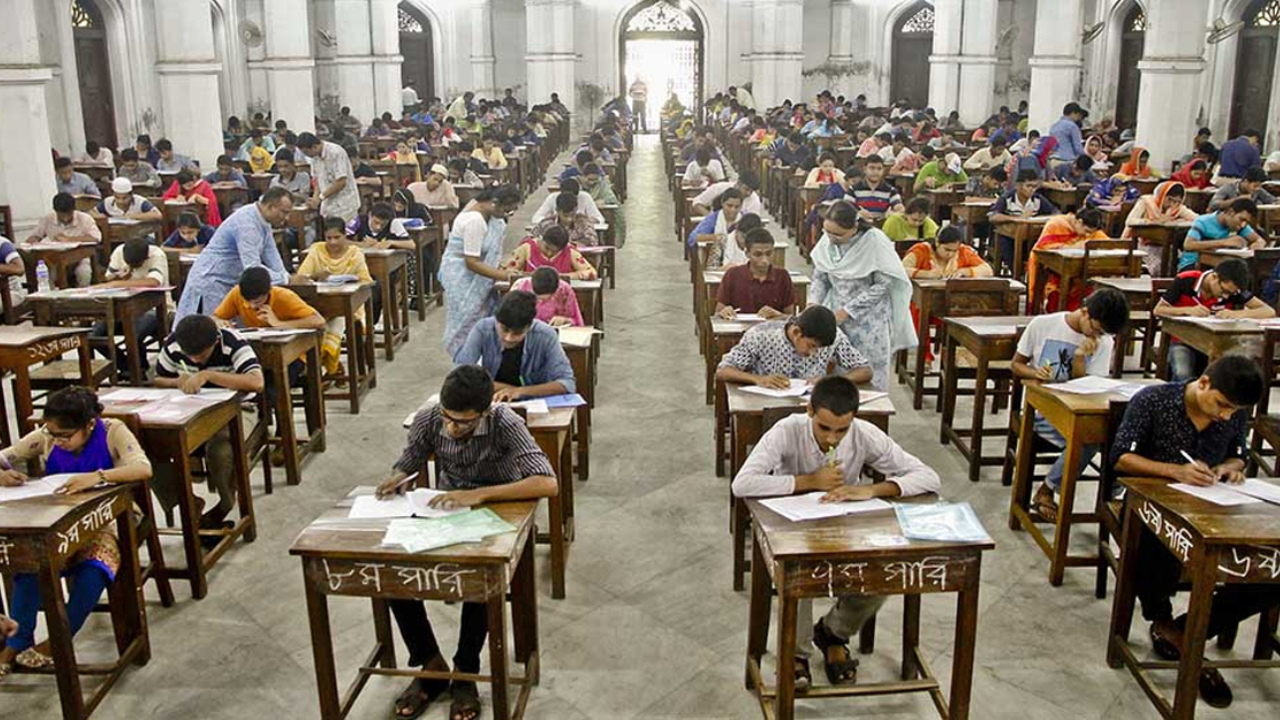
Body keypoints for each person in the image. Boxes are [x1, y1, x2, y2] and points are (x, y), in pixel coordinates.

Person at [731, 375, 939, 690]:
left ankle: (833, 632)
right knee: (801, 573)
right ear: (809, 411)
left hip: (844, 521)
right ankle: (797, 653)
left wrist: (870, 490)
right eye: (824, 428)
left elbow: (928, 476)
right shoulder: (787, 430)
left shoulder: (864, 434)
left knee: (881, 574)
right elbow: (743, 483)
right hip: (793, 524)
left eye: (842, 430)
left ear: (854, 418)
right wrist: (807, 482)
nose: (833, 438)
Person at [375, 364, 556, 720]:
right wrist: (397, 478)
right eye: (448, 418)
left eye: (464, 422)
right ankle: (431, 664)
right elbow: (410, 461)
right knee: (392, 567)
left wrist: (481, 495)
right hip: (447, 512)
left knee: (480, 576)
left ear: (484, 412)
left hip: (500, 512)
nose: (452, 428)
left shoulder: (505, 423)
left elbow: (547, 482)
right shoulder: (430, 418)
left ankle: (466, 669)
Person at [1110, 355, 1276, 709]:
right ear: (1203, 383)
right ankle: (1166, 621)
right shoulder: (1154, 401)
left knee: (1271, 568)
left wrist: (1231, 469)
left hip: (1213, 508)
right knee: (1153, 546)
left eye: (1235, 411)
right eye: (1222, 405)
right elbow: (1121, 457)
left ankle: (1183, 632)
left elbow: (1238, 456)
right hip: (1149, 503)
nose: (1226, 416)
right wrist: (1174, 471)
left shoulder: (1232, 412)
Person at [0, 387, 152, 676]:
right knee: (30, 566)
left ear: (88, 425)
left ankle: (58, 641)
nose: (58, 440)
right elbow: (6, 456)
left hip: (110, 518)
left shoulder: (111, 431)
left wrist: (97, 477)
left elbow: (142, 469)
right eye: (53, 434)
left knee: (93, 568)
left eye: (66, 436)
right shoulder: (48, 436)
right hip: (59, 517)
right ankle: (17, 642)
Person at [1011, 288, 1129, 518]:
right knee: (1086, 440)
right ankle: (1047, 490)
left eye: (1104, 333)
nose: (1098, 336)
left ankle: (1112, 500)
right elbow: (1016, 365)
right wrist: (1035, 372)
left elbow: (1089, 386)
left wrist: (1079, 358)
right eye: (1096, 329)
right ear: (1085, 312)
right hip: (1042, 410)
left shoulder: (1103, 342)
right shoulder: (1042, 324)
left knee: (1119, 439)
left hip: (1079, 408)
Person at [152, 315, 265, 530]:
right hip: (189, 410)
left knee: (220, 449)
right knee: (151, 445)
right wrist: (176, 381)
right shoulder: (175, 343)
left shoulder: (232, 342)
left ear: (214, 341)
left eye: (201, 356)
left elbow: (256, 382)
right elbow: (158, 379)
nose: (195, 361)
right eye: (190, 357)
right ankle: (185, 501)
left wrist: (208, 375)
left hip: (238, 409)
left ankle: (225, 504)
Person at [810, 201, 916, 390]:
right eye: (828, 232)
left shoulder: (874, 241)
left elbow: (883, 285)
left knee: (869, 374)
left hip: (870, 320)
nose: (832, 238)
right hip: (834, 317)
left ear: (854, 227)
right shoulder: (828, 240)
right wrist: (813, 304)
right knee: (836, 373)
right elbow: (820, 277)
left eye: (838, 234)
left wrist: (848, 311)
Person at [176, 187, 293, 319]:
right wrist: (286, 279)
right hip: (211, 281)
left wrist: (285, 276)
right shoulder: (247, 223)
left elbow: (271, 253)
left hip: (228, 282)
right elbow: (252, 268)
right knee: (209, 333)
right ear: (271, 207)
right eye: (284, 212)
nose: (287, 218)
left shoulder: (263, 220)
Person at [1152, 258, 1275, 381]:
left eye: (1230, 294)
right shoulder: (1185, 280)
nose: (1226, 296)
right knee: (1183, 372)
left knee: (1236, 373)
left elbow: (1269, 312)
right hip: (1182, 341)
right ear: (1214, 277)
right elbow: (1158, 310)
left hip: (1216, 344)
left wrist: (1238, 314)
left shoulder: (1235, 291)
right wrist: (1187, 310)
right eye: (1224, 291)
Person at [440, 185, 521, 356]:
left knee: (482, 318)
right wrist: (504, 275)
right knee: (467, 320)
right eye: (507, 210)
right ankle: (464, 359)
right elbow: (472, 262)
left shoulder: (490, 218)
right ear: (494, 203)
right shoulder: (474, 221)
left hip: (474, 272)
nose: (506, 215)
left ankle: (478, 357)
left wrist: (501, 269)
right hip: (461, 275)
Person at [454, 290, 576, 401]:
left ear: (529, 327)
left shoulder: (545, 335)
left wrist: (521, 392)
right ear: (497, 320)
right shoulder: (483, 329)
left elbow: (567, 383)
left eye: (517, 333)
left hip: (533, 404)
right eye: (504, 329)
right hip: (494, 401)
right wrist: (508, 389)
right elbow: (461, 375)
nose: (508, 338)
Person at [293, 217, 374, 376]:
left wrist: (351, 283)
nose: (333, 242)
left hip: (349, 304)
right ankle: (323, 368)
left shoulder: (354, 253)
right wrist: (316, 275)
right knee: (318, 322)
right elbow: (300, 278)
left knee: (337, 321)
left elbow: (366, 281)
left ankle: (327, 365)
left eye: (337, 237)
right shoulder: (317, 250)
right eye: (328, 238)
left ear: (345, 236)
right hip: (320, 305)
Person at [716, 306, 872, 388]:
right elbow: (723, 371)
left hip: (811, 406)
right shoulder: (760, 334)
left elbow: (865, 370)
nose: (813, 353)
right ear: (797, 332)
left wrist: (833, 381)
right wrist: (758, 379)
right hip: (767, 405)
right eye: (811, 346)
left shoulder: (834, 336)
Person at [89, 237, 169, 378]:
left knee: (134, 334)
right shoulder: (119, 252)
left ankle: (139, 369)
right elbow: (108, 279)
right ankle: (128, 367)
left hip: (151, 308)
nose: (134, 267)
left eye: (137, 264)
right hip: (117, 308)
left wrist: (117, 284)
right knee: (93, 336)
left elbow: (154, 281)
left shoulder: (156, 254)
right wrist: (119, 279)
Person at [1026, 207, 1109, 313]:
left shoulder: (1088, 230)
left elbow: (1104, 241)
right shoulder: (1057, 224)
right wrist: (1072, 247)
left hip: (1077, 266)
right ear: (1079, 222)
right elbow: (1043, 247)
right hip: (1050, 263)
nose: (1087, 235)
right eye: (1086, 231)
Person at [713, 227, 796, 320]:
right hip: (739, 330)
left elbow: (791, 317)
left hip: (772, 330)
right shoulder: (732, 275)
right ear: (747, 254)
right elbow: (718, 314)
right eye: (758, 254)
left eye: (769, 253)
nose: (764, 260)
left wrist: (778, 315)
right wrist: (724, 312)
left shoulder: (782, 276)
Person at [988, 169, 1060, 273]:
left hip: (1031, 235)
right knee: (1007, 245)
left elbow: (1056, 212)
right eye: (1028, 186)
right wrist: (1017, 219)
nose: (1032, 190)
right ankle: (1017, 273)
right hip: (1009, 236)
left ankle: (1036, 273)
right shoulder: (1007, 197)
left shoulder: (1037, 199)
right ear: (1018, 186)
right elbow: (993, 216)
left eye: (1034, 187)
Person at [1123, 181, 1199, 275]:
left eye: (1177, 201)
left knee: (1182, 262)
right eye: (1169, 200)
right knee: (1158, 265)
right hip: (1144, 244)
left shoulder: (1177, 208)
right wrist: (1151, 222)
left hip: (1165, 246)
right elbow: (1130, 221)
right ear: (1162, 195)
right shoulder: (1146, 202)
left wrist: (1179, 221)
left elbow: (1198, 220)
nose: (1172, 204)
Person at [25, 193, 101, 287]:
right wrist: (32, 241)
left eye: (69, 214)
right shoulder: (47, 219)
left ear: (74, 209)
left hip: (80, 258)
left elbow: (96, 238)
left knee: (84, 273)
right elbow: (35, 236)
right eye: (61, 215)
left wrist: (69, 239)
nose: (65, 218)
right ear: (55, 211)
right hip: (54, 259)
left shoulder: (85, 219)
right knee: (47, 274)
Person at [1179, 197, 1265, 271]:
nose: (1243, 224)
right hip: (1192, 265)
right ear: (1231, 212)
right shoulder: (1203, 221)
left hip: (1221, 265)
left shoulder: (1239, 226)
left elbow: (1260, 240)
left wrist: (1254, 248)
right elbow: (1188, 245)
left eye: (1246, 222)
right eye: (1241, 219)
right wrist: (1224, 242)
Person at [298, 131, 361, 223]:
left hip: (345, 204)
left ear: (314, 146)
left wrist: (320, 197)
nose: (306, 155)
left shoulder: (336, 152)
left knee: (346, 234)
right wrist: (315, 198)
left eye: (306, 152)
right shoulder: (315, 158)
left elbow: (341, 182)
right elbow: (316, 180)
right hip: (328, 204)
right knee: (330, 235)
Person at [502, 224, 597, 281]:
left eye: (555, 252)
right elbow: (506, 271)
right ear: (542, 239)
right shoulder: (527, 248)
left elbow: (591, 272)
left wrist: (567, 276)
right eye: (547, 248)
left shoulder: (569, 251)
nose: (549, 253)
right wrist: (523, 275)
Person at [901, 225, 992, 279]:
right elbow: (901, 271)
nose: (950, 254)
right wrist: (926, 274)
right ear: (937, 243)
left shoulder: (963, 251)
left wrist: (964, 272)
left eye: (954, 251)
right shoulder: (921, 250)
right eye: (947, 250)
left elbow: (987, 270)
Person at [513, 266, 584, 327]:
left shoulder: (565, 290)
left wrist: (565, 320)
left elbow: (577, 321)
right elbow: (508, 316)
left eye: (548, 298)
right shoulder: (520, 287)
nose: (541, 301)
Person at [533, 191, 600, 247]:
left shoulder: (584, 222)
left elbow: (593, 242)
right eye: (565, 216)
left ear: (576, 209)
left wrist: (575, 244)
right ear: (557, 211)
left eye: (572, 215)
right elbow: (530, 240)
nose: (569, 219)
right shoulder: (546, 224)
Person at [850, 155, 904, 222]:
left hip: (883, 227)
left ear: (883, 170)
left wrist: (893, 214)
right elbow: (845, 209)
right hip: (860, 227)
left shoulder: (891, 190)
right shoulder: (853, 189)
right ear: (865, 169)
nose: (875, 172)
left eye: (879, 169)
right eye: (872, 168)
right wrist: (858, 214)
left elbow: (900, 209)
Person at [530, 178, 604, 225]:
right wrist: (552, 221)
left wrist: (590, 220)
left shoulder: (585, 197)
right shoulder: (552, 198)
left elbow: (600, 219)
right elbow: (536, 218)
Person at [692, 171, 763, 217]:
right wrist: (710, 217)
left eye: (751, 191)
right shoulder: (719, 188)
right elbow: (697, 203)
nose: (748, 193)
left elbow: (753, 220)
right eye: (746, 189)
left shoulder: (754, 200)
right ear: (738, 183)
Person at [1209, 166, 1277, 210]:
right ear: (1246, 181)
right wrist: (1236, 200)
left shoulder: (1258, 190)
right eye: (1255, 186)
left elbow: (1272, 200)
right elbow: (1213, 204)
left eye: (1259, 186)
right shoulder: (1228, 188)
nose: (1257, 189)